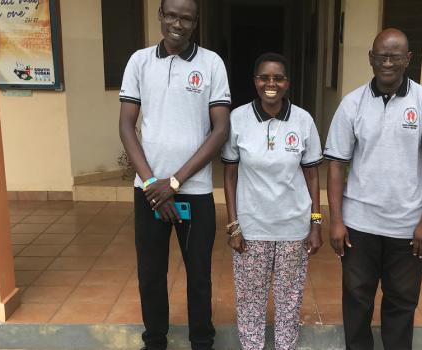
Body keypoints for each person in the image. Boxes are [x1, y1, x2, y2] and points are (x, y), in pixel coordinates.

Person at [324, 28, 422, 350]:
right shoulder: (352, 104)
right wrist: (337, 221)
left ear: (408, 59)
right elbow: (336, 166)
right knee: (357, 300)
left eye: (395, 56)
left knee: (401, 302)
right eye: (381, 55)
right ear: (370, 58)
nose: (387, 62)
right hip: (359, 225)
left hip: (408, 227)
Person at [118, 0, 231, 349]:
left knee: (198, 276)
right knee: (151, 274)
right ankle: (154, 341)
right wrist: (153, 182)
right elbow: (126, 125)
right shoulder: (139, 61)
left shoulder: (211, 63)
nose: (177, 24)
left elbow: (220, 129)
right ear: (160, 16)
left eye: (186, 18)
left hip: (193, 192)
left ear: (195, 22)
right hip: (149, 191)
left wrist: (176, 182)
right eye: (171, 15)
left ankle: (202, 341)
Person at [221, 52, 323, 350]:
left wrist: (316, 224)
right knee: (250, 300)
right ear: (254, 81)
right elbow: (229, 176)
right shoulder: (238, 119)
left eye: (278, 78)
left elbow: (313, 176)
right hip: (252, 228)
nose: (271, 84)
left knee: (289, 299)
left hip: (294, 227)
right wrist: (233, 226)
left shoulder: (303, 120)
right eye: (264, 77)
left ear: (287, 82)